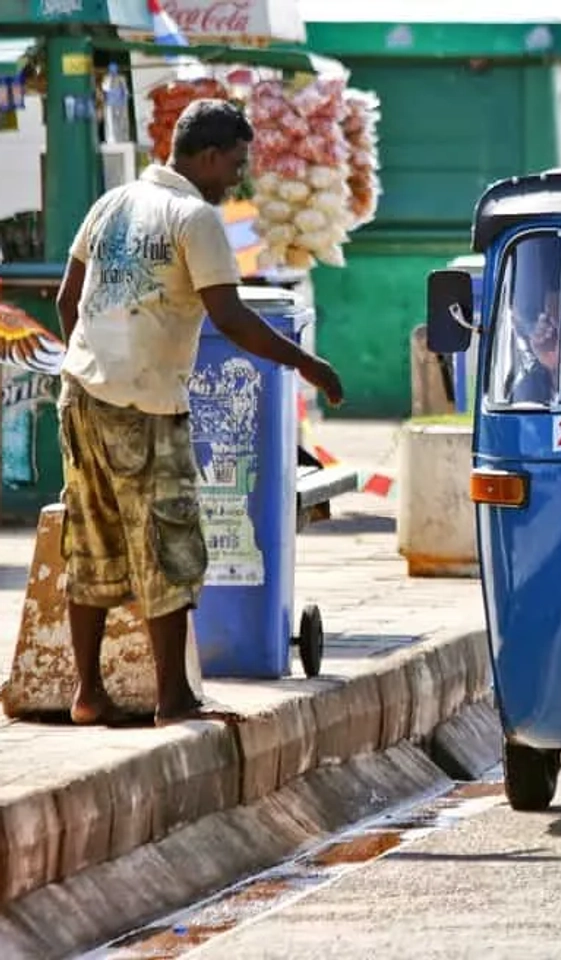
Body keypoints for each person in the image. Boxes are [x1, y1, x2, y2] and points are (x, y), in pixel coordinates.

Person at [53, 99, 344, 727]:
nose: (237, 179)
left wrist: (95, 357)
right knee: (171, 547)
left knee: (92, 542)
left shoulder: (113, 203)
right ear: (208, 157)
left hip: (79, 395)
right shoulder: (196, 217)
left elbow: (68, 299)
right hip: (145, 406)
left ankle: (88, 694)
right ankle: (174, 700)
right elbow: (230, 318)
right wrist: (308, 364)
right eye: (235, 164)